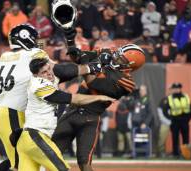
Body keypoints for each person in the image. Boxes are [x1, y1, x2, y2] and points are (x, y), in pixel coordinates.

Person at [0, 24, 102, 171]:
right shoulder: (33, 54)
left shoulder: (5, 56)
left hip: (4, 113)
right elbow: (59, 71)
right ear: (25, 38)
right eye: (34, 38)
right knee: (19, 164)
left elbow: (49, 77)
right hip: (13, 113)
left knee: (20, 162)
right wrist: (90, 68)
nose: (37, 41)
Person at [51, 2, 145, 169]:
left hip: (89, 118)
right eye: (118, 53)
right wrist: (70, 39)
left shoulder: (126, 83)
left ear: (130, 66)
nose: (116, 57)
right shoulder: (108, 54)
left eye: (121, 58)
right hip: (71, 111)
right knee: (50, 155)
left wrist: (95, 64)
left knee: (84, 163)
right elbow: (77, 57)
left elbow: (91, 81)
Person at [16, 58, 114, 171]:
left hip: (28, 138)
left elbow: (68, 72)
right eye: (44, 72)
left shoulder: (49, 78)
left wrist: (92, 66)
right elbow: (74, 99)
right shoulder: (39, 85)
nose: (49, 74)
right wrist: (99, 97)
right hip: (36, 137)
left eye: (49, 69)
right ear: (36, 75)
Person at [163, 82, 191, 158]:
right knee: (175, 138)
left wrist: (188, 118)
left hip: (185, 120)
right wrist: (170, 119)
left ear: (180, 89)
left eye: (177, 88)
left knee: (185, 138)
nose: (176, 90)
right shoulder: (169, 98)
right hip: (175, 121)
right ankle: (175, 154)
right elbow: (165, 110)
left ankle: (185, 154)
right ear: (172, 90)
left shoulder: (186, 96)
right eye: (174, 88)